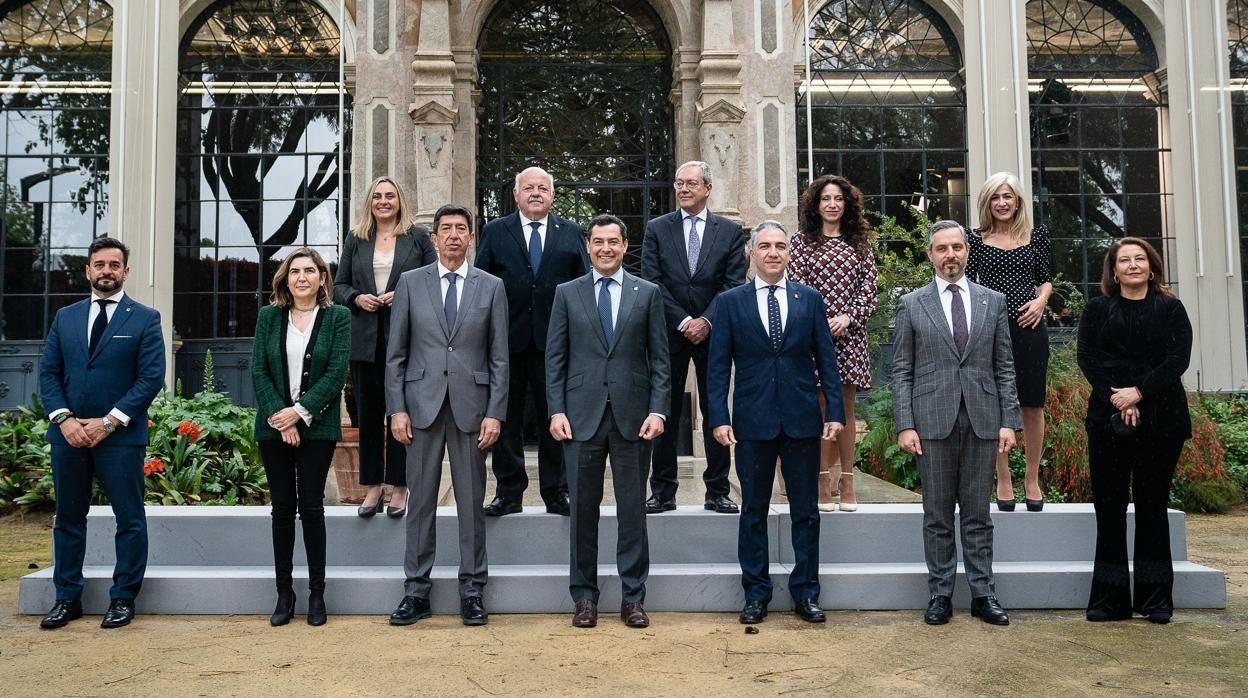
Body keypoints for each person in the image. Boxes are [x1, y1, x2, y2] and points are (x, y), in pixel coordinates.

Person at [707, 220, 844, 625]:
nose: (772, 253)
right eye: (764, 246)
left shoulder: (810, 300)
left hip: (802, 419)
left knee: (806, 511)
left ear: (789, 253)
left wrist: (835, 411)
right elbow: (717, 368)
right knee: (753, 510)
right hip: (752, 421)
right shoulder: (730, 303)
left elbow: (827, 361)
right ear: (751, 253)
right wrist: (719, 417)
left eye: (780, 246)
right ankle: (756, 594)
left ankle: (807, 593)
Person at [892, 220, 1021, 627]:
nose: (950, 255)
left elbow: (1004, 367)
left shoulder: (993, 301)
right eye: (942, 248)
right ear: (930, 255)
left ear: (967, 251)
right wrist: (904, 424)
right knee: (937, 514)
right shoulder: (912, 304)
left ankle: (984, 594)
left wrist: (1009, 421)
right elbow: (901, 370)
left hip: (983, 419)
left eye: (957, 247)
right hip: (932, 421)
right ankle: (940, 595)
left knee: (978, 514)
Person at [386, 204, 509, 627]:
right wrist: (397, 408)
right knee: (420, 501)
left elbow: (499, 358)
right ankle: (416, 591)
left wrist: (495, 413)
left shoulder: (491, 286)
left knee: (471, 502)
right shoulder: (410, 283)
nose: (454, 235)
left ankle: (472, 591)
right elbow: (396, 354)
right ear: (434, 238)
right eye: (446, 229)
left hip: (472, 409)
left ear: (471, 238)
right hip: (420, 407)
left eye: (461, 228)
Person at [546, 214, 671, 629]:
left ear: (624, 245)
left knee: (632, 512)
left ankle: (633, 597)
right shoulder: (567, 293)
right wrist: (556, 410)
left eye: (612, 241)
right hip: (579, 419)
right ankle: (584, 598)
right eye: (598, 241)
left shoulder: (647, 293)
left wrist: (658, 410)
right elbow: (555, 359)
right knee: (583, 512)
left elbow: (660, 360)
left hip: (634, 419)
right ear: (588, 246)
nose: (605, 248)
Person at [37, 237, 165, 630]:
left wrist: (109, 421)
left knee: (130, 518)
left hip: (120, 438)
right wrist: (65, 420)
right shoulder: (66, 317)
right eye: (99, 264)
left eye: (114, 265)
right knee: (68, 518)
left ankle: (123, 598)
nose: (106, 271)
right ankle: (67, 599)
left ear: (126, 271)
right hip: (69, 436)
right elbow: (48, 373)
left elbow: (150, 378)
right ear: (88, 270)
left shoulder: (145, 318)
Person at [1077, 237, 1192, 624]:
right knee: (1109, 508)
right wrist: (1119, 398)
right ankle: (1109, 600)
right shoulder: (1097, 309)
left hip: (1162, 420)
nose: (1132, 265)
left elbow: (1178, 359)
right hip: (1107, 418)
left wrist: (1139, 392)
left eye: (1139, 258)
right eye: (1124, 260)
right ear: (1113, 270)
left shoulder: (1171, 308)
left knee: (1152, 507)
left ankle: (1155, 599)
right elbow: (1087, 357)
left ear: (1151, 266)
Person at [475, 167, 588, 517]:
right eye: (528, 188)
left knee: (554, 416)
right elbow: (481, 284)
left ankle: (557, 491)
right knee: (506, 418)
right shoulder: (495, 231)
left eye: (542, 188)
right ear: (516, 194)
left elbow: (583, 288)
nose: (536, 193)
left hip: (555, 345)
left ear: (552, 195)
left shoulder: (571, 232)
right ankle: (508, 492)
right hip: (506, 343)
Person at [251, 248, 351, 627]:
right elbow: (259, 370)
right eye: (295, 271)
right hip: (273, 426)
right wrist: (282, 418)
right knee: (281, 509)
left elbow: (336, 373)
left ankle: (316, 593)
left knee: (311, 507)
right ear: (285, 279)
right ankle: (284, 593)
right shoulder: (269, 317)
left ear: (322, 278)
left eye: (310, 270)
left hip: (318, 427)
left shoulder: (338, 317)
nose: (302, 277)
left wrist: (300, 413)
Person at [642, 160, 747, 514]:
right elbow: (652, 281)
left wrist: (706, 321)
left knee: (715, 408)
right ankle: (662, 491)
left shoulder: (730, 232)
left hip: (714, 335)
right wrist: (685, 320)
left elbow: (733, 283)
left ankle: (717, 490)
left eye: (691, 183)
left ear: (708, 188)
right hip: (669, 333)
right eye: (679, 183)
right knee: (664, 410)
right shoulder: (657, 228)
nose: (683, 189)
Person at [334, 176, 437, 518]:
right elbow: (339, 285)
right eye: (377, 196)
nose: (383, 201)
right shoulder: (357, 237)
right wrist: (356, 297)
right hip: (365, 341)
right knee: (368, 415)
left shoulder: (417, 237)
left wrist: (404, 294)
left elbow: (433, 279)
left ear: (399, 200)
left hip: (406, 339)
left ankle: (400, 485)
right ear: (370, 202)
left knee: (400, 413)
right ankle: (373, 486)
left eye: (390, 195)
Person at [790, 174, 878, 512]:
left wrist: (848, 318)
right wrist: (820, 323)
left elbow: (869, 289)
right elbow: (797, 286)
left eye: (838, 199)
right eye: (825, 198)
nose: (831, 204)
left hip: (850, 336)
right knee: (821, 408)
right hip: (813, 338)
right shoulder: (801, 242)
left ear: (847, 204)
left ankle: (848, 481)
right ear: (815, 204)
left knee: (846, 409)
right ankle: (822, 481)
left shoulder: (860, 243)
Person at [967, 172, 1052, 512]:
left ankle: (1031, 478)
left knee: (1032, 404)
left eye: (1007, 196)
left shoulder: (1037, 235)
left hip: (1029, 327)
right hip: (989, 330)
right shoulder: (974, 239)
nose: (1001, 203)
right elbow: (967, 284)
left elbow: (1045, 279)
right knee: (995, 404)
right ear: (987, 202)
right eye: (995, 197)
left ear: (1018, 201)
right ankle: (1002, 478)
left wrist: (1041, 301)